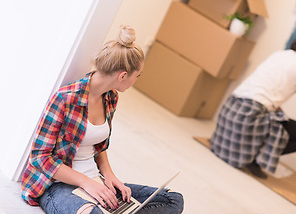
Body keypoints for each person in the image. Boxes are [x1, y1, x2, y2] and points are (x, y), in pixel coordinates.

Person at [21, 25, 184, 214]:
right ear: (123, 76)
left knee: (173, 200)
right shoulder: (65, 98)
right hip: (58, 186)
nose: (136, 80)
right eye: (137, 76)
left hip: (97, 182)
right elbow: (40, 158)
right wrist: (86, 183)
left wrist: (109, 176)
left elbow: (98, 146)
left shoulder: (111, 97)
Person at [210, 25, 296, 179]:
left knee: (279, 117)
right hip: (247, 118)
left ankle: (248, 155)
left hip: (230, 112)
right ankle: (253, 160)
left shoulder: (280, 55)